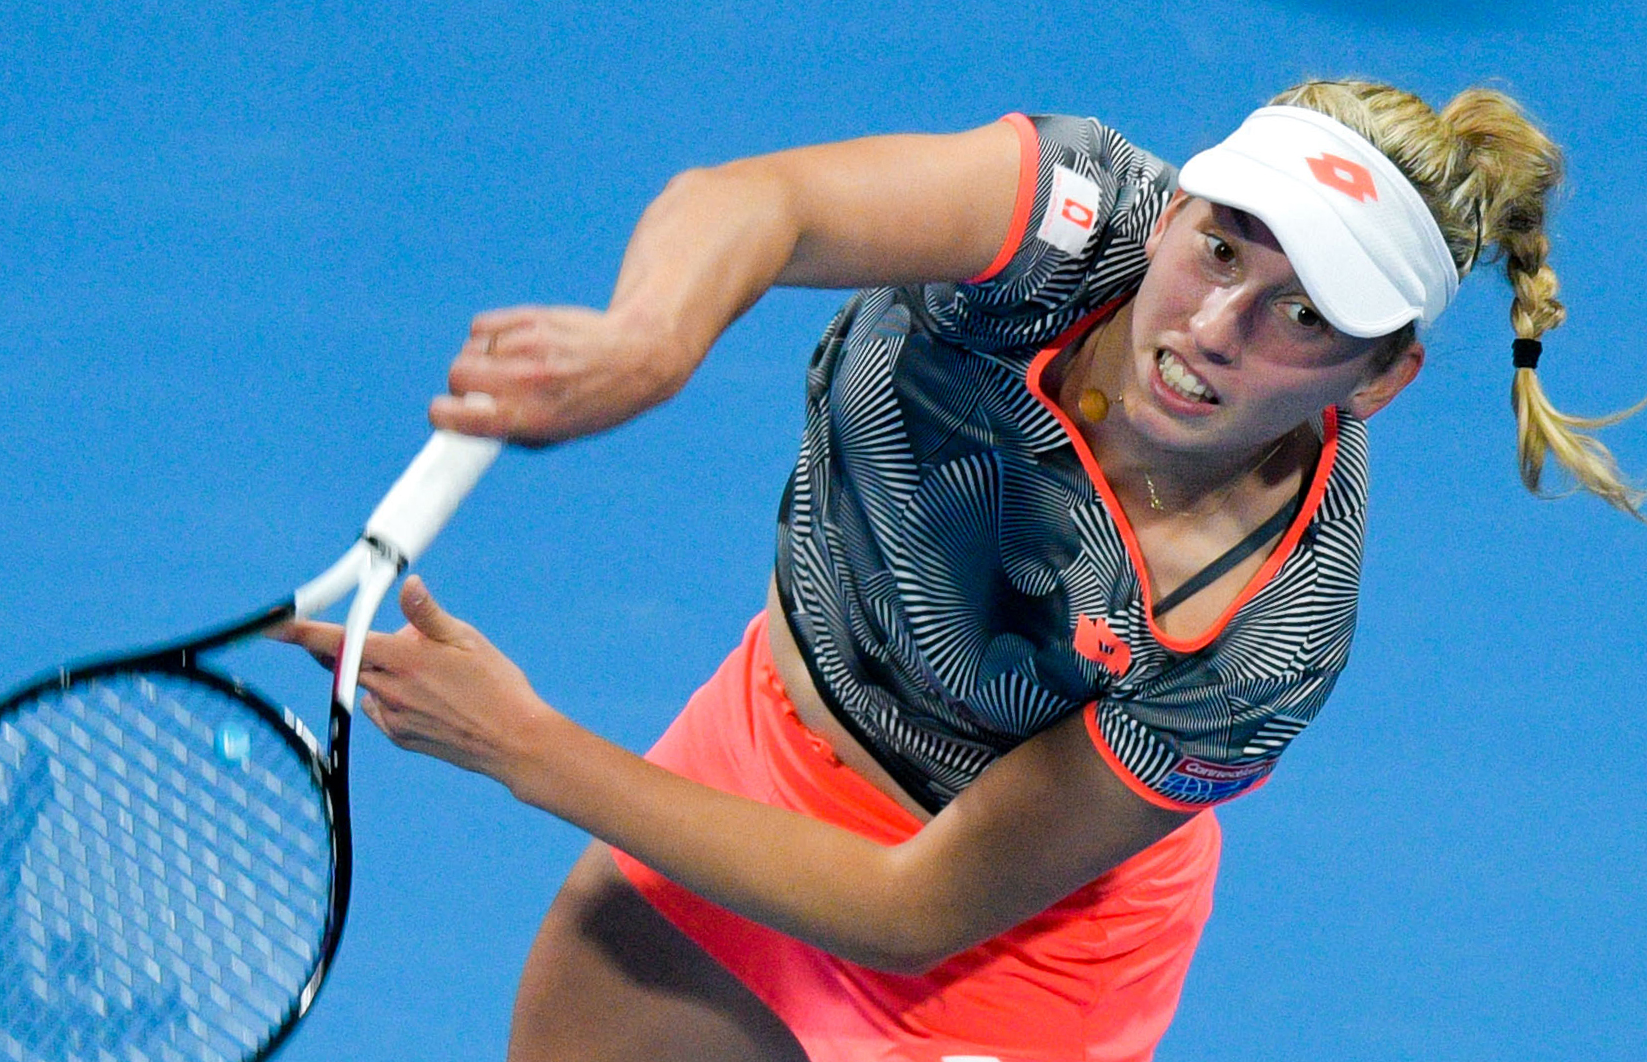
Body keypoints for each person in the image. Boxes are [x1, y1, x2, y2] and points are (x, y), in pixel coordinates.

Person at [280, 79, 1642, 1062]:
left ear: (1381, 378)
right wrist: (652, 337)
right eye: (1220, 247)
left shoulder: (1270, 632)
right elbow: (768, 203)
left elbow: (912, 911)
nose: (1217, 327)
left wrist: (524, 748)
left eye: (1305, 317)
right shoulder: (1066, 220)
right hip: (753, 764)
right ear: (1172, 211)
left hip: (1016, 959)